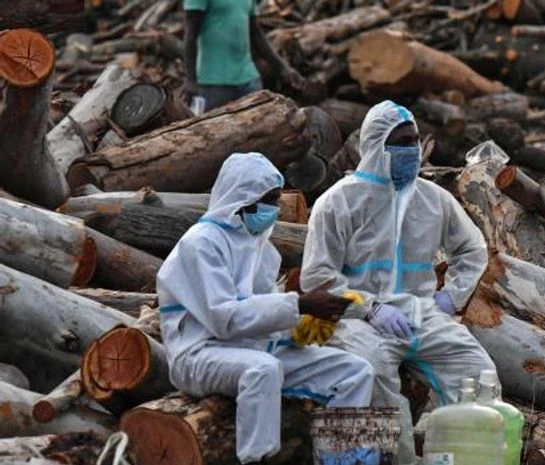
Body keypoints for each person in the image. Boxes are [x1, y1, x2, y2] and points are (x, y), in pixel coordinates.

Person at [300, 101, 498, 465]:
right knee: (372, 377)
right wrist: (369, 306)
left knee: (477, 371)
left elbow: (472, 249)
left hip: (423, 312)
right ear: (377, 145)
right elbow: (318, 276)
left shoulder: (433, 198)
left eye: (414, 141)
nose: (411, 151)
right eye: (401, 142)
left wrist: (449, 299)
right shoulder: (338, 202)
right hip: (358, 320)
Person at [156, 152, 374, 465]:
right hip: (199, 353)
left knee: (355, 371)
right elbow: (224, 319)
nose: (274, 207)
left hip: (256, 346)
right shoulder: (202, 243)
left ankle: (345, 459)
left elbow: (264, 311)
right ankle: (256, 458)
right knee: (263, 369)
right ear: (241, 197)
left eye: (276, 198)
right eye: (269, 199)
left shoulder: (261, 247)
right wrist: (299, 303)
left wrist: (301, 328)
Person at [183, 0, 305, 111]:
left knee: (260, 128)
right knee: (215, 132)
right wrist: (191, 80)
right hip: (212, 82)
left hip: (248, 79)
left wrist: (283, 67)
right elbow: (190, 35)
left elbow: (255, 32)